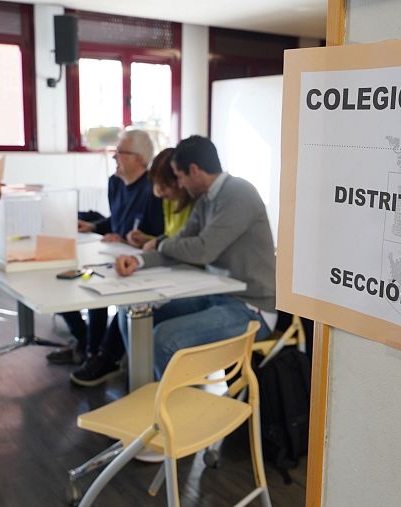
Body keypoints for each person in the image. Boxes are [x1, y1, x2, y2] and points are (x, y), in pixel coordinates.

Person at [114, 135, 277, 377]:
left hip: (252, 308)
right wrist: (138, 261)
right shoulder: (206, 201)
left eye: (179, 176)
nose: (179, 184)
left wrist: (159, 244)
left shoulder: (239, 193)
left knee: (164, 338)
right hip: (218, 295)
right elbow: (179, 244)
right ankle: (147, 392)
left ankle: (170, 410)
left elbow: (202, 250)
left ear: (194, 170)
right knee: (132, 314)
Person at [47, 130, 164, 387]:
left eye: (120, 152)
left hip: (136, 263)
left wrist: (126, 239)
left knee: (97, 287)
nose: (114, 157)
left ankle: (98, 354)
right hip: (109, 253)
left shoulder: (152, 191)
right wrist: (93, 226)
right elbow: (116, 220)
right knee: (69, 278)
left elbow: (155, 235)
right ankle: (87, 345)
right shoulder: (115, 183)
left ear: (140, 159)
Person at [125, 147, 195, 251]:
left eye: (164, 184)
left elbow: (185, 245)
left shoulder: (195, 204)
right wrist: (146, 239)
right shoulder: (168, 201)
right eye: (156, 183)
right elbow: (169, 238)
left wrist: (156, 243)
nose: (159, 191)